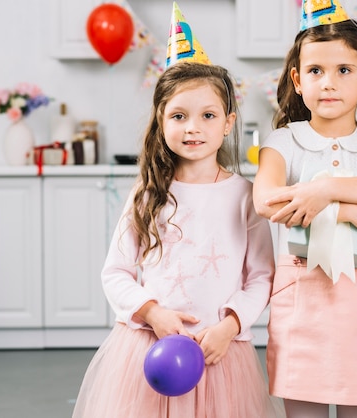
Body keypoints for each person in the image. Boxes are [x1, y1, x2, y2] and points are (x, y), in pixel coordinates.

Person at [72, 5, 279, 417]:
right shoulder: (147, 194)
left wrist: (230, 326)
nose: (192, 128)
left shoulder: (244, 196)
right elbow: (115, 272)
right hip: (150, 346)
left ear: (227, 123)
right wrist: (152, 312)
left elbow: (261, 276)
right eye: (179, 116)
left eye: (207, 116)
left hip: (218, 349)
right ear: (161, 121)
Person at [252, 1, 357, 416]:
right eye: (315, 71)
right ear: (296, 79)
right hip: (302, 296)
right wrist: (352, 211)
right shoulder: (283, 142)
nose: (328, 83)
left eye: (343, 71)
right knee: (303, 406)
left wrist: (325, 191)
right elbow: (265, 200)